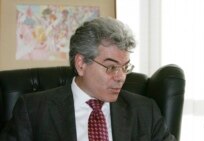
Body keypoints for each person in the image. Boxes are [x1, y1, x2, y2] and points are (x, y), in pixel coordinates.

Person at [0, 17, 176, 141]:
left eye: (125, 67)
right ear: (81, 63)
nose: (121, 77)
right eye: (111, 67)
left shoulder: (145, 111)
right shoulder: (33, 110)